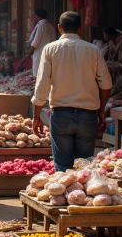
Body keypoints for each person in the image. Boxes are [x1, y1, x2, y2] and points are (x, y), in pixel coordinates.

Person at [32, 11, 112, 172]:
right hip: (88, 116)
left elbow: (42, 85)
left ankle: (65, 197)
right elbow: (106, 85)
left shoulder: (50, 49)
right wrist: (101, 110)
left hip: (61, 115)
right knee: (84, 169)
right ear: (80, 29)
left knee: (62, 168)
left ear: (59, 28)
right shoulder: (93, 50)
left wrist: (36, 116)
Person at [27, 8, 56, 77]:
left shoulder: (41, 26)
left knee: (39, 76)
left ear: (37, 16)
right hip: (49, 54)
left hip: (40, 54)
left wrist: (28, 54)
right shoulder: (51, 26)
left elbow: (35, 43)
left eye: (34, 15)